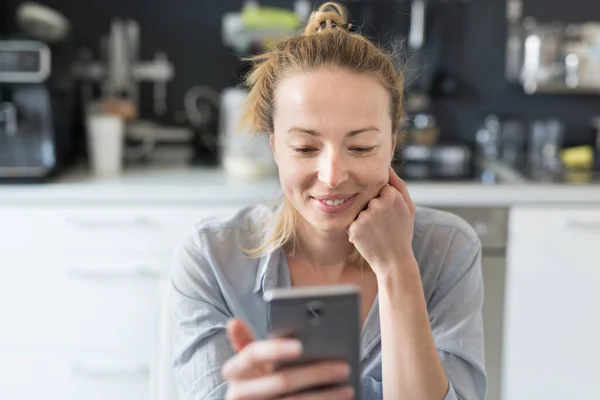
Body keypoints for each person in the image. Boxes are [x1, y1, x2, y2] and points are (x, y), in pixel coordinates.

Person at [170, 2, 486, 399]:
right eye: (304, 148)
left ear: (391, 144)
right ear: (275, 148)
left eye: (361, 146)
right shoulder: (211, 258)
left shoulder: (448, 250)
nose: (332, 176)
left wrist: (396, 268)